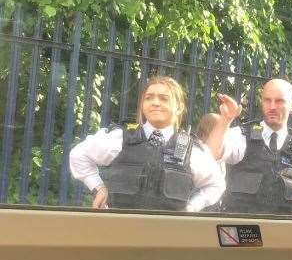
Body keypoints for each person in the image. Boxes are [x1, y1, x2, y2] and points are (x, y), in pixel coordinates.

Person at [70, 75, 224, 212]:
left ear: (179, 107)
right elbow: (79, 155)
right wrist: (99, 188)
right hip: (119, 234)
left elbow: (216, 184)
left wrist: (193, 207)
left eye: (164, 98)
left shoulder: (192, 151)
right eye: (149, 97)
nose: (155, 102)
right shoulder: (119, 138)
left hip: (170, 236)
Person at [205, 79, 292, 216]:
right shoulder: (241, 135)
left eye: (279, 101)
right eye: (267, 100)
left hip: (280, 232)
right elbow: (211, 154)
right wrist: (225, 119)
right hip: (242, 231)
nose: (272, 106)